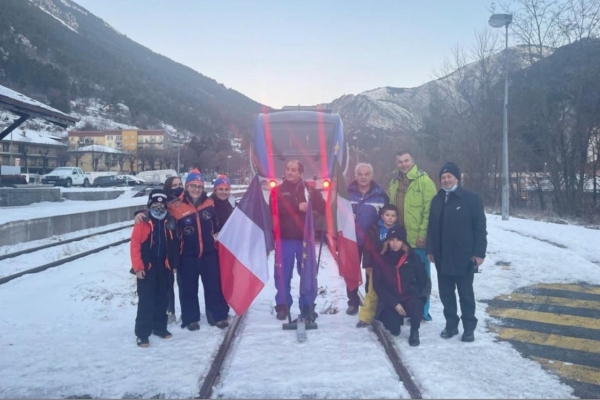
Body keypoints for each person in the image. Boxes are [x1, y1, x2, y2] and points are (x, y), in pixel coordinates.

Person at [426, 162, 487, 342]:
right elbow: (432, 228)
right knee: (446, 294)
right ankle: (451, 325)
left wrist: (479, 253)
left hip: (464, 256)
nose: (446, 180)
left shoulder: (471, 199)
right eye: (443, 177)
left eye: (449, 176)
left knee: (465, 294)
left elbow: (480, 228)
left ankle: (469, 328)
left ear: (457, 178)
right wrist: (431, 249)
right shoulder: (437, 200)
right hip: (442, 256)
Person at [168, 169, 231, 331]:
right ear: (187, 186)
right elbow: (157, 212)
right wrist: (142, 214)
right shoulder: (175, 206)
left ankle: (217, 316)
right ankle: (191, 318)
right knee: (188, 288)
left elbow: (217, 224)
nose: (196, 189)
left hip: (209, 254)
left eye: (199, 186)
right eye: (193, 185)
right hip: (187, 255)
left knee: (213, 286)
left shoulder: (209, 203)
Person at [270, 159, 326, 321]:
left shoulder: (311, 191)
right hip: (285, 239)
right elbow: (274, 208)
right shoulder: (277, 191)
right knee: (282, 274)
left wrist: (313, 214)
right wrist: (296, 206)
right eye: (288, 169)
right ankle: (283, 306)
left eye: (294, 170)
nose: (290, 172)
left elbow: (321, 209)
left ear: (301, 173)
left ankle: (307, 305)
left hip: (304, 239)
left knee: (308, 273)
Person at [388, 150, 437, 321]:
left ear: (413, 161)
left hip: (418, 239)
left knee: (422, 276)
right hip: (401, 239)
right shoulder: (394, 183)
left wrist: (423, 234)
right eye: (400, 162)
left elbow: (429, 211)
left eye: (406, 160)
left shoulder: (424, 181)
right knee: (403, 276)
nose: (403, 164)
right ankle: (408, 309)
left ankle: (423, 313)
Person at [130, 189, 180, 347]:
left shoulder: (170, 221)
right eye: (155, 203)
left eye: (162, 204)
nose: (159, 206)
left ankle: (159, 328)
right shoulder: (142, 221)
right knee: (146, 300)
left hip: (164, 267)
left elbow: (175, 245)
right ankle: (142, 333)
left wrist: (173, 264)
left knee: (162, 299)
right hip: (147, 267)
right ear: (150, 204)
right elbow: (135, 246)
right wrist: (138, 267)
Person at [372, 226, 431, 346]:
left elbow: (423, 279)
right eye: (391, 240)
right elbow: (378, 285)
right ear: (387, 241)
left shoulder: (413, 257)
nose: (395, 243)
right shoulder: (381, 259)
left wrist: (418, 296)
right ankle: (395, 324)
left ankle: (414, 330)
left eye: (398, 240)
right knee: (392, 326)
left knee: (415, 306)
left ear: (403, 242)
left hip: (409, 295)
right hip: (391, 298)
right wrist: (393, 302)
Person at [347, 163, 389, 315]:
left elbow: (386, 218)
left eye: (366, 174)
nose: (363, 177)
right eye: (360, 174)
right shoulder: (346, 193)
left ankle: (370, 302)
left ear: (371, 176)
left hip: (372, 241)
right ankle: (352, 302)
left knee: (371, 273)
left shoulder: (381, 195)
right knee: (351, 273)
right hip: (351, 240)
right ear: (355, 176)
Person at [357, 204, 399, 327]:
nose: (390, 218)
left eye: (393, 216)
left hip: (392, 267)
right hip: (376, 266)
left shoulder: (399, 230)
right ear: (382, 216)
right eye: (387, 215)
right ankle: (365, 317)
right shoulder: (374, 230)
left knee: (392, 291)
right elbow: (368, 248)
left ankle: (392, 314)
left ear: (396, 218)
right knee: (372, 292)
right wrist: (368, 265)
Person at [162, 176, 184, 325]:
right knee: (168, 283)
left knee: (183, 282)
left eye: (179, 184)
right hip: (168, 247)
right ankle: (170, 312)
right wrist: (139, 213)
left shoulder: (186, 200)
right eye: (174, 185)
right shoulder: (164, 202)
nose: (177, 187)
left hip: (183, 247)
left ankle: (186, 311)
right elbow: (150, 210)